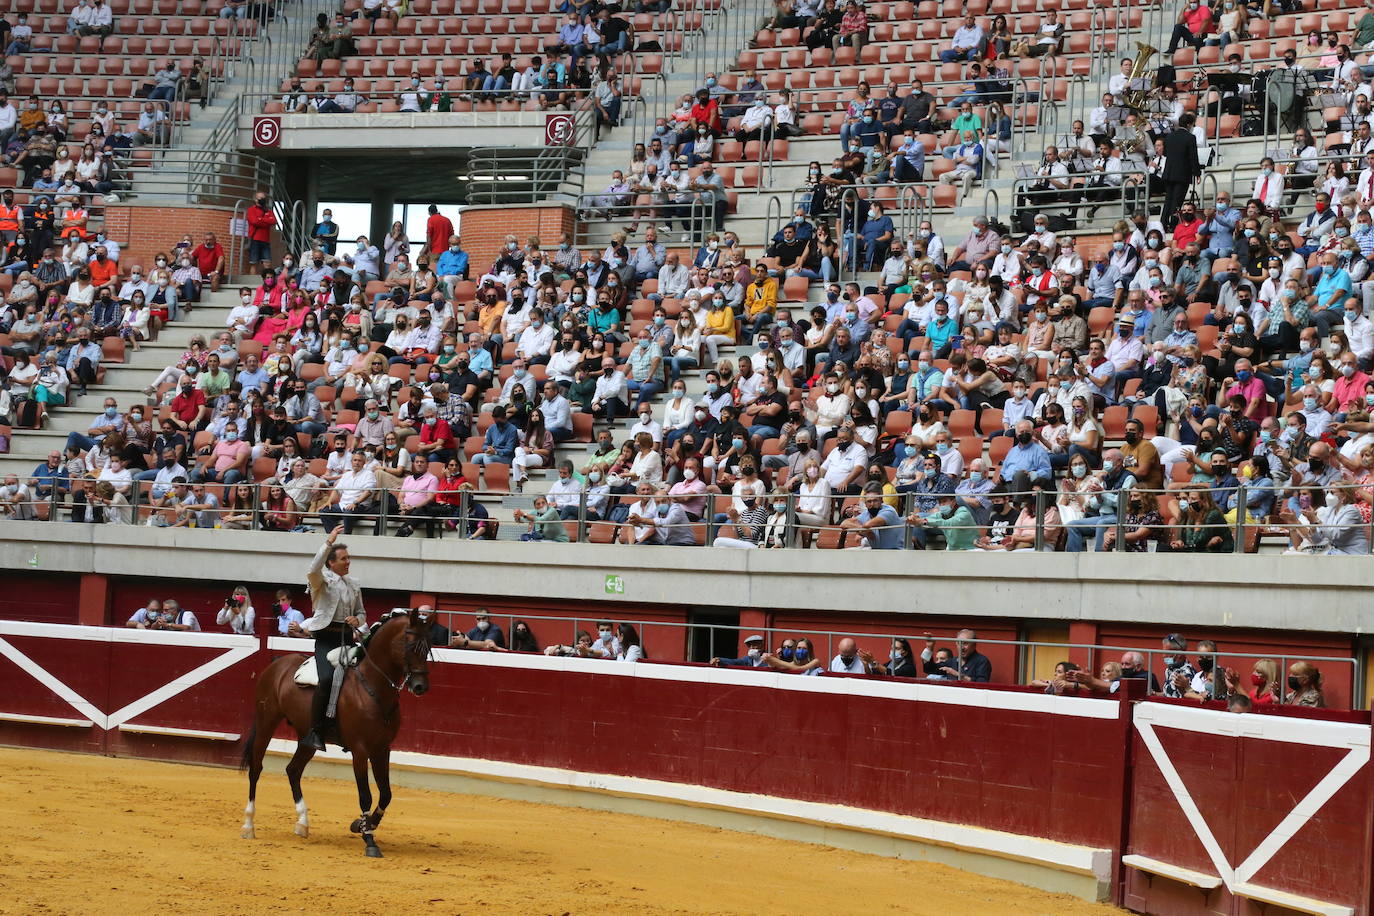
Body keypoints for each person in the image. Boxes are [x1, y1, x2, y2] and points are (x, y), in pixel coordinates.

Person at [293, 526, 367, 751]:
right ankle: (315, 730)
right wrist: (328, 542)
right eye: (343, 559)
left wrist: (357, 620)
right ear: (331, 563)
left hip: (347, 640)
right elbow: (313, 568)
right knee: (326, 680)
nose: (348, 562)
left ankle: (351, 728)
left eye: (348, 558)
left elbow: (362, 612)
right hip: (326, 639)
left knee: (363, 680)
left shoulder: (354, 584)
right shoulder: (321, 581)